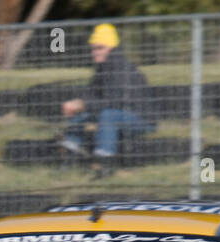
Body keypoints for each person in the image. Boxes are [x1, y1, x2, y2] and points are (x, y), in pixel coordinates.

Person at [59, 22, 153, 177]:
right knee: (83, 113)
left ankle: (105, 164)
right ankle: (70, 154)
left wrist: (83, 104)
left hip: (141, 119)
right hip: (119, 113)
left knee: (107, 115)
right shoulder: (103, 67)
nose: (94, 52)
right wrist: (77, 103)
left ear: (111, 47)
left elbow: (114, 101)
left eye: (99, 48)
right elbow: (91, 94)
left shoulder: (120, 67)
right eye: (93, 48)